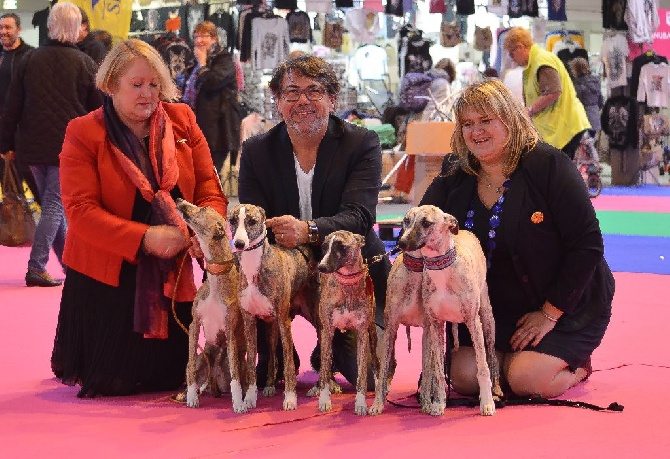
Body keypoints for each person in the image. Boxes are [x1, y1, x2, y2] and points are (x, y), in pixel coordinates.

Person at [50, 38, 228, 398]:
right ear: (111, 85)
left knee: (171, 378)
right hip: (107, 276)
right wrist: (145, 238)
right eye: (137, 85)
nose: (148, 94)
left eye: (154, 85)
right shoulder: (83, 132)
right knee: (116, 384)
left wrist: (207, 229)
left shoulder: (183, 119)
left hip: (173, 276)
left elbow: (209, 185)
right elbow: (81, 212)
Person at [419, 79, 614, 398]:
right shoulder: (455, 173)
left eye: (485, 121)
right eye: (467, 124)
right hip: (492, 310)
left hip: (560, 303)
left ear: (509, 119)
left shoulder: (549, 165)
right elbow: (420, 226)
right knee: (466, 378)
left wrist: (550, 313)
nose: (476, 131)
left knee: (528, 381)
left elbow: (587, 244)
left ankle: (577, 366)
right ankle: (510, 361)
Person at [238, 54, 391, 389]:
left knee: (374, 378)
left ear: (332, 99)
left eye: (314, 91)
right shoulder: (256, 151)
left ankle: (332, 348)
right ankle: (277, 348)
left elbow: (360, 218)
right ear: (277, 102)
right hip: (280, 270)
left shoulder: (362, 143)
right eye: (291, 93)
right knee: (266, 375)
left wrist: (308, 231)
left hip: (348, 270)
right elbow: (251, 224)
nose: (302, 101)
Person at [0, 2, 102, 287]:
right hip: (69, 146)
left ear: (49, 25)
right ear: (75, 28)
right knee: (55, 206)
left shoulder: (28, 60)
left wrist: (6, 142)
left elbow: (12, 106)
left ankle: (71, 266)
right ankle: (37, 265)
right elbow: (98, 110)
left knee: (50, 205)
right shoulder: (84, 64)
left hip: (31, 145)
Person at [504, 27, 591, 160]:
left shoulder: (541, 60)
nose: (512, 59)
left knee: (558, 173)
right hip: (561, 128)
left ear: (520, 47)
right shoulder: (536, 62)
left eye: (511, 54)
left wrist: (530, 110)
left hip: (565, 128)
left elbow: (554, 91)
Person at [178, 20, 240, 178]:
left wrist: (203, 64)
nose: (199, 40)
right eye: (196, 36)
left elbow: (213, 82)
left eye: (203, 36)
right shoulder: (194, 62)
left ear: (214, 38)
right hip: (197, 126)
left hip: (218, 130)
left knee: (209, 174)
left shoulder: (224, 59)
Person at [0, 13, 36, 199]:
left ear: (19, 29)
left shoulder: (30, 55)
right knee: (4, 178)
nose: (3, 32)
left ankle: (25, 221)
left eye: (8, 27)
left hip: (23, 126)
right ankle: (11, 222)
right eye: (1, 28)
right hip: (1, 124)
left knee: (25, 175)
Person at [569, 57, 603, 136]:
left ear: (576, 70)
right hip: (594, 115)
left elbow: (577, 101)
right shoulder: (595, 81)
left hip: (582, 118)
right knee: (591, 141)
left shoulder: (577, 83)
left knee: (583, 143)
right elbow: (600, 100)